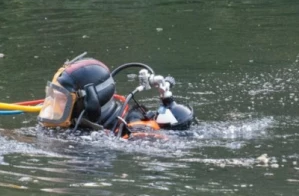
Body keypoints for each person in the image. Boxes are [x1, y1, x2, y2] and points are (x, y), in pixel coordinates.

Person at [37, 53, 194, 138]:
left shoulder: (135, 133)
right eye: (53, 96)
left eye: (61, 99)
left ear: (91, 102)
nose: (54, 105)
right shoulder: (76, 123)